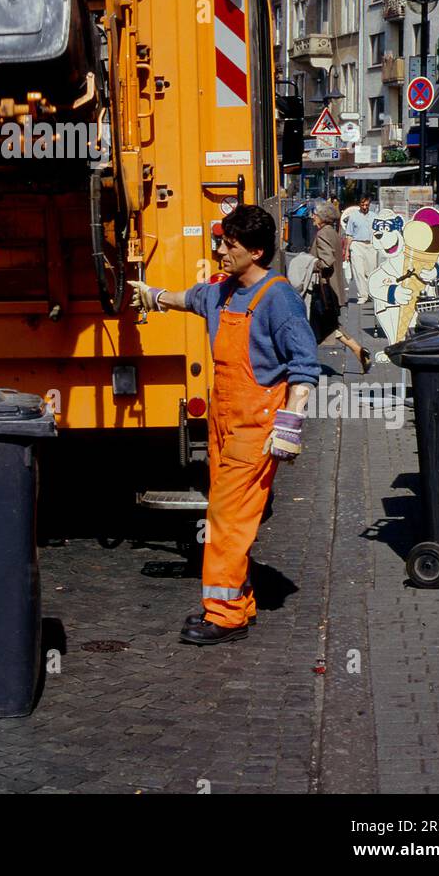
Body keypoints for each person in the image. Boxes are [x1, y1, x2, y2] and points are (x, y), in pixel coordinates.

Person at [130, 205, 320, 646]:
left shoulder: (280, 300)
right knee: (224, 514)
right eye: (220, 242)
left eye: (228, 245)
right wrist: (152, 296)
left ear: (255, 250)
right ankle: (241, 600)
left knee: (225, 519)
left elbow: (305, 369)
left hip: (255, 427)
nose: (219, 251)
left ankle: (226, 615)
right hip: (224, 423)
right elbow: (188, 298)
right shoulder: (223, 292)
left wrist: (289, 427)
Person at [309, 202, 371, 371]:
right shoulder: (333, 233)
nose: (312, 216)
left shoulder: (322, 234)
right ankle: (359, 351)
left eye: (314, 213)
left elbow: (326, 262)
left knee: (312, 328)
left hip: (324, 290)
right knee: (329, 327)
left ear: (322, 217)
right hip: (333, 289)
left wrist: (309, 264)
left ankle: (302, 363)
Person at [341, 194, 378, 306]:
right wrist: (347, 251)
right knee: (359, 271)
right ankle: (363, 295)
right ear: (359, 204)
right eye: (363, 204)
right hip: (357, 244)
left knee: (371, 271)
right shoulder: (353, 216)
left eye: (367, 205)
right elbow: (349, 235)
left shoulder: (374, 216)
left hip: (371, 245)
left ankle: (371, 293)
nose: (365, 207)